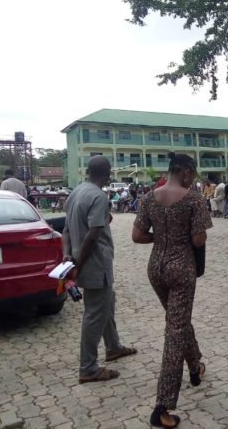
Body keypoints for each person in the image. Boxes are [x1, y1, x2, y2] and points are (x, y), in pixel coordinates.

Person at [132, 153, 212, 427]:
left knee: (177, 321)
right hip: (181, 270)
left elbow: (137, 236)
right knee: (174, 332)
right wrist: (181, 239)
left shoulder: (147, 198)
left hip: (156, 267)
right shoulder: (194, 199)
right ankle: (162, 406)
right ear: (187, 172)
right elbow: (199, 239)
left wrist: (162, 238)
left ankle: (195, 366)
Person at [62, 156, 137, 384]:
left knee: (107, 302)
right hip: (94, 263)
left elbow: (66, 229)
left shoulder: (76, 192)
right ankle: (88, 368)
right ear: (107, 174)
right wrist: (79, 265)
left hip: (79, 258)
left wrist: (67, 256)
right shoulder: (98, 196)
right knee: (94, 313)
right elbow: (92, 236)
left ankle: (113, 346)